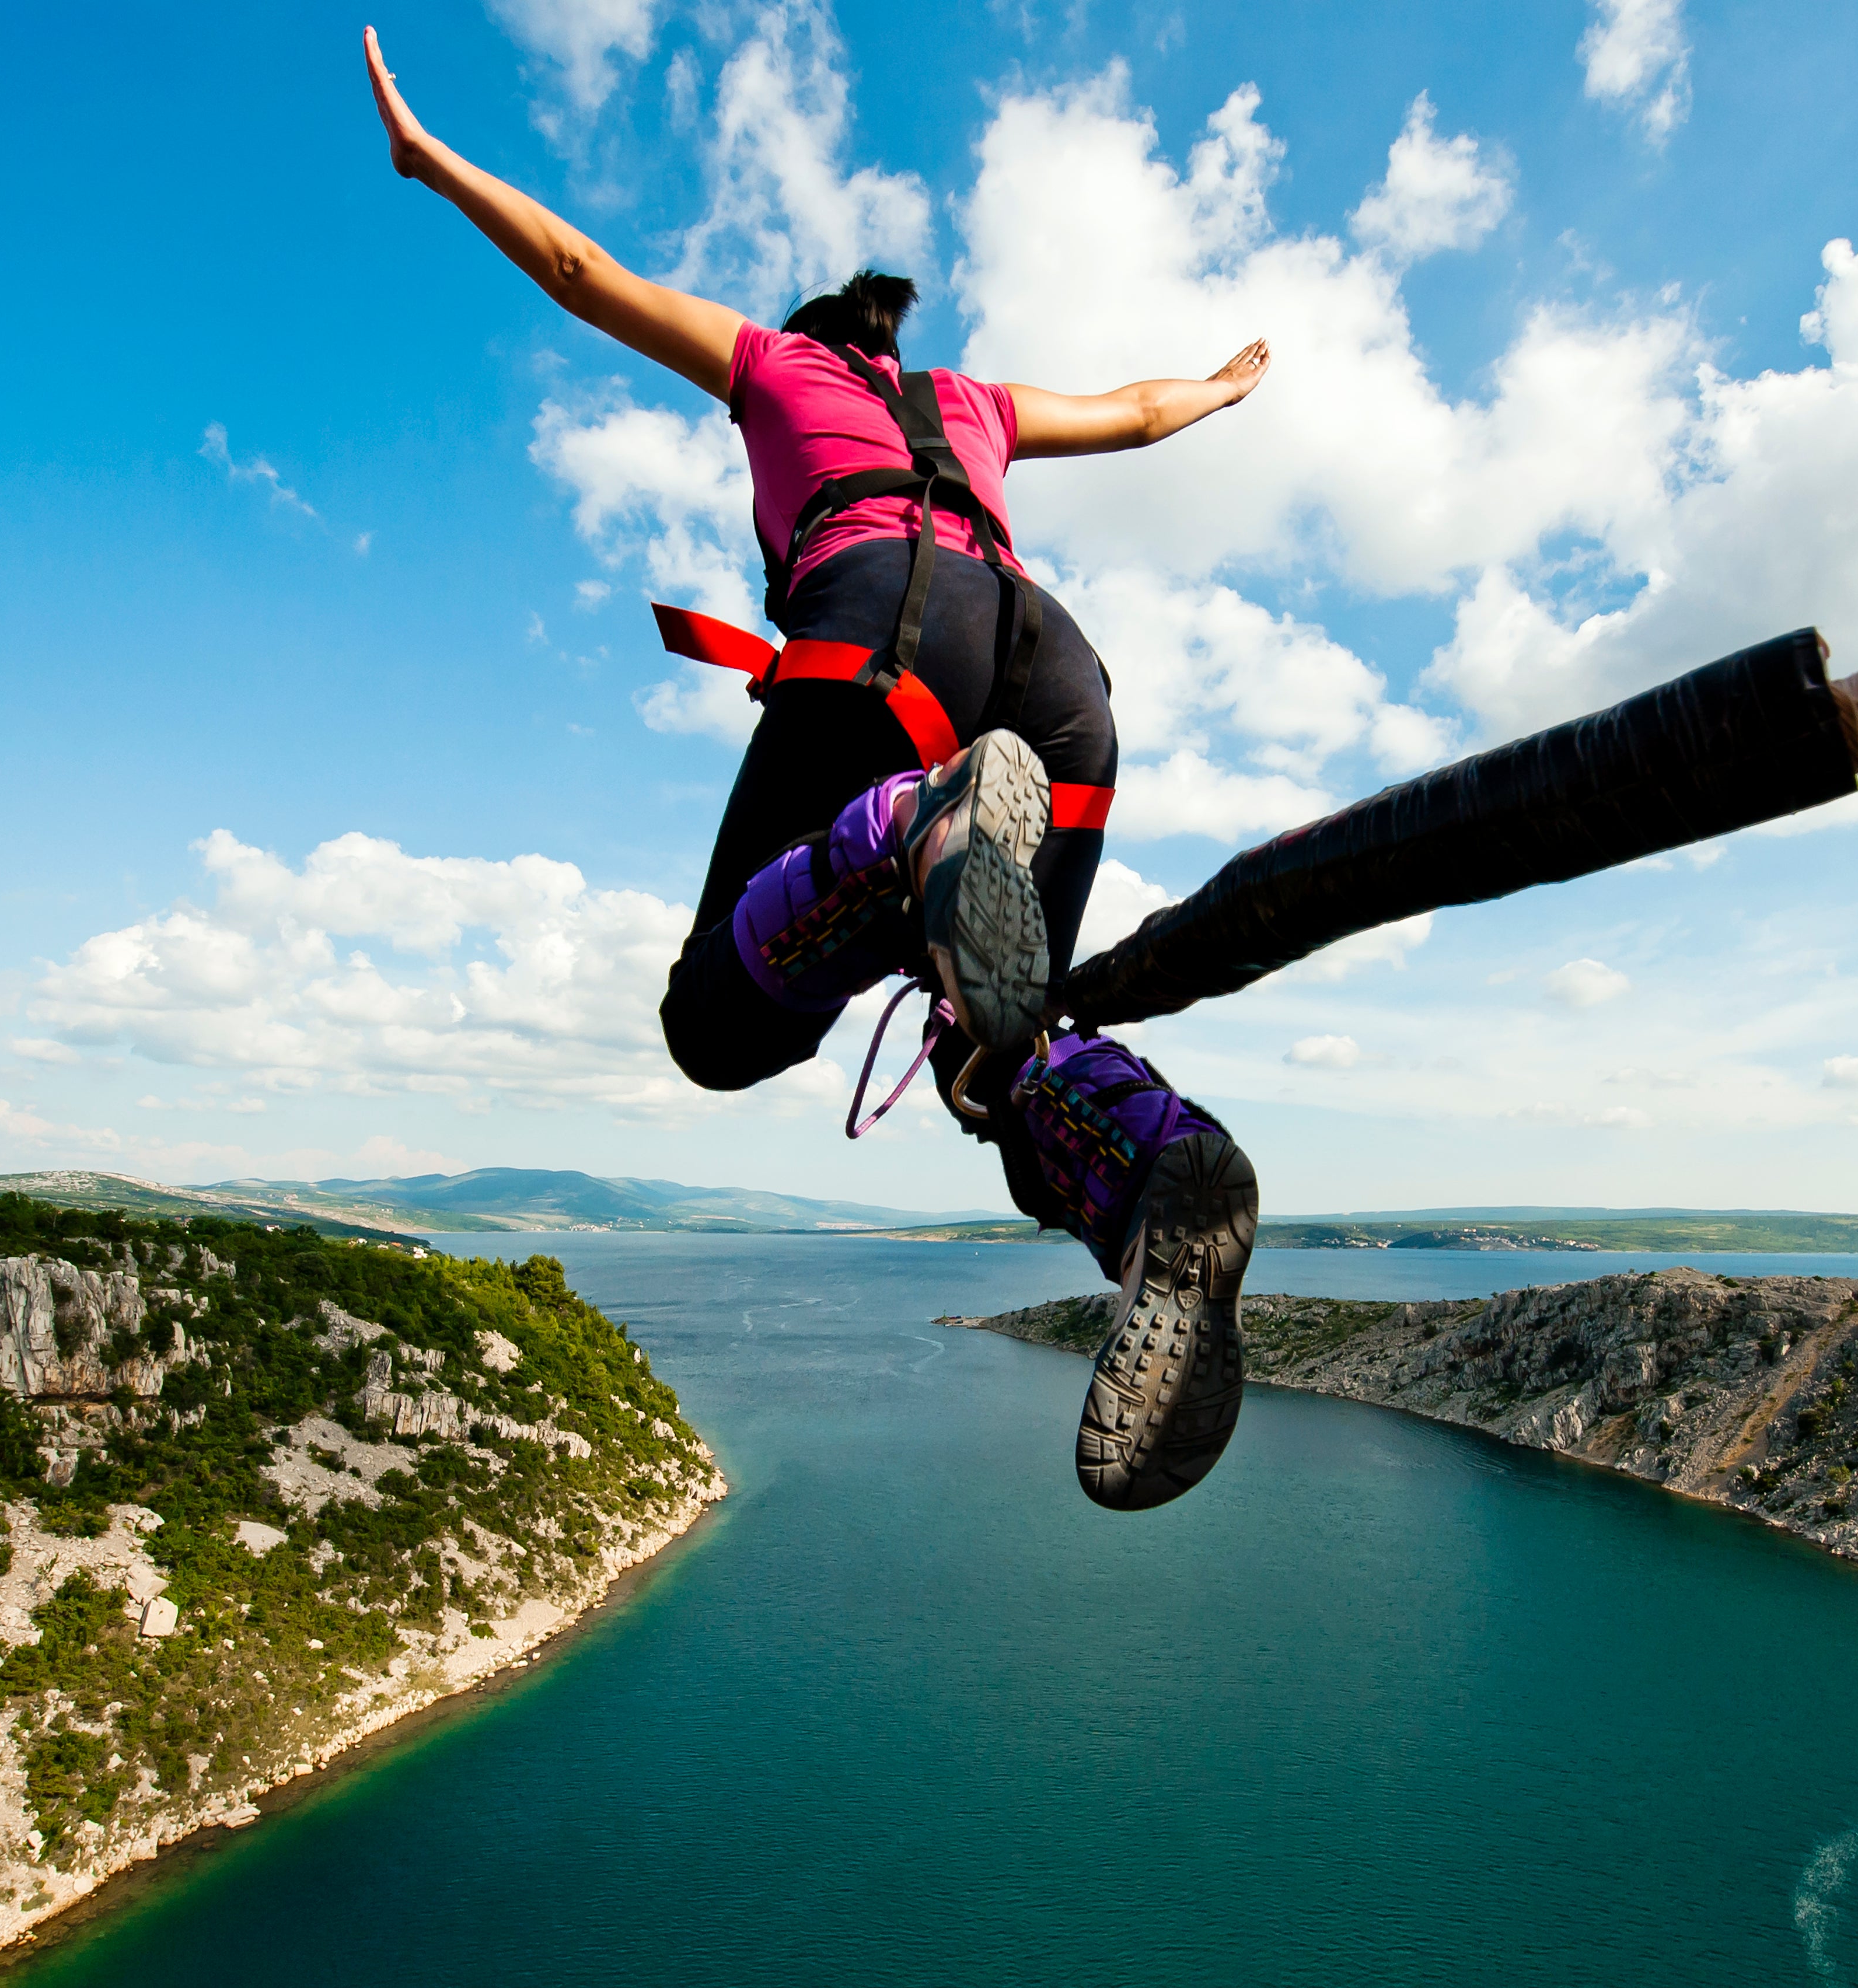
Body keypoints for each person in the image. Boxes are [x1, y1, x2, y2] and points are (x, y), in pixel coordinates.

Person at [368, 27, 1265, 1511]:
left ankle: (900, 836)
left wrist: (433, 160)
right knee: (1003, 1024)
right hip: (1060, 683)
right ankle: (1151, 1174)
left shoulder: (772, 363)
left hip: (883, 645)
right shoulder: (972, 404)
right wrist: (1223, 389)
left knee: (713, 1025)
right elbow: (1138, 410)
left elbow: (585, 275)